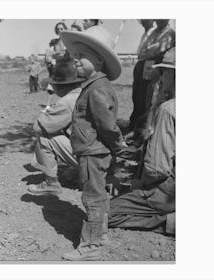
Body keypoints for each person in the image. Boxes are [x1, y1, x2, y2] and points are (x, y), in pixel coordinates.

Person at [60, 26, 127, 261]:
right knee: (98, 194)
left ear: (98, 59)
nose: (76, 61)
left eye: (82, 57)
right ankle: (101, 234)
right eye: (75, 57)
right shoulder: (95, 85)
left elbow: (107, 124)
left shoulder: (97, 88)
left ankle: (92, 245)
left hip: (93, 151)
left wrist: (118, 145)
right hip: (93, 150)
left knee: (92, 196)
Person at [108, 48, 176, 236]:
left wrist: (136, 184)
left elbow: (157, 169)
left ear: (171, 73)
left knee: (106, 213)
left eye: (163, 72)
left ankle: (170, 223)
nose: (161, 78)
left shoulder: (168, 110)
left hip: (170, 191)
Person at [26, 60, 85, 195]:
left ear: (61, 86)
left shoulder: (67, 101)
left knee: (44, 138)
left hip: (89, 156)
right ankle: (85, 174)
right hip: (104, 155)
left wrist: (49, 113)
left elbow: (38, 127)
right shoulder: (85, 93)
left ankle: (51, 182)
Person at [130, 19, 175, 137]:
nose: (158, 21)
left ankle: (151, 130)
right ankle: (141, 129)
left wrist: (148, 51)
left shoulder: (169, 32)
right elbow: (142, 51)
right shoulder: (154, 32)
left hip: (158, 69)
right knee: (143, 97)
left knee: (155, 99)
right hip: (147, 67)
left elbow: (158, 50)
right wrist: (148, 51)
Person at [129, 19, 155, 130]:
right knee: (137, 95)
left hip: (148, 65)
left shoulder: (154, 32)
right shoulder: (145, 33)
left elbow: (151, 52)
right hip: (141, 64)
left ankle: (141, 125)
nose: (143, 21)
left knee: (144, 96)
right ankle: (135, 122)